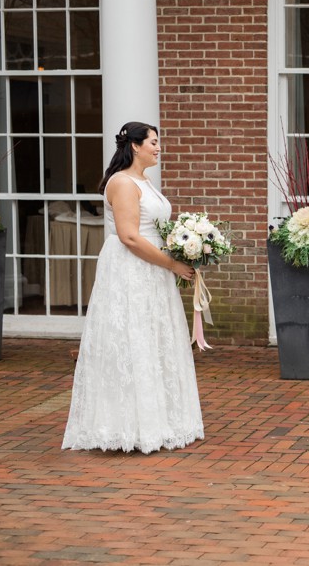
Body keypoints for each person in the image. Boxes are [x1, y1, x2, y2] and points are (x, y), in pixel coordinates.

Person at [62, 121, 204, 454]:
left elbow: (153, 228)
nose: (158, 147)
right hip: (131, 269)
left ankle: (158, 420)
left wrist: (187, 245)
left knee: (152, 339)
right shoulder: (123, 183)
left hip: (152, 267)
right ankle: (128, 426)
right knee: (131, 340)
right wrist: (172, 263)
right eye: (153, 142)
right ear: (135, 146)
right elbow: (128, 236)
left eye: (158, 142)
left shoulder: (145, 181)